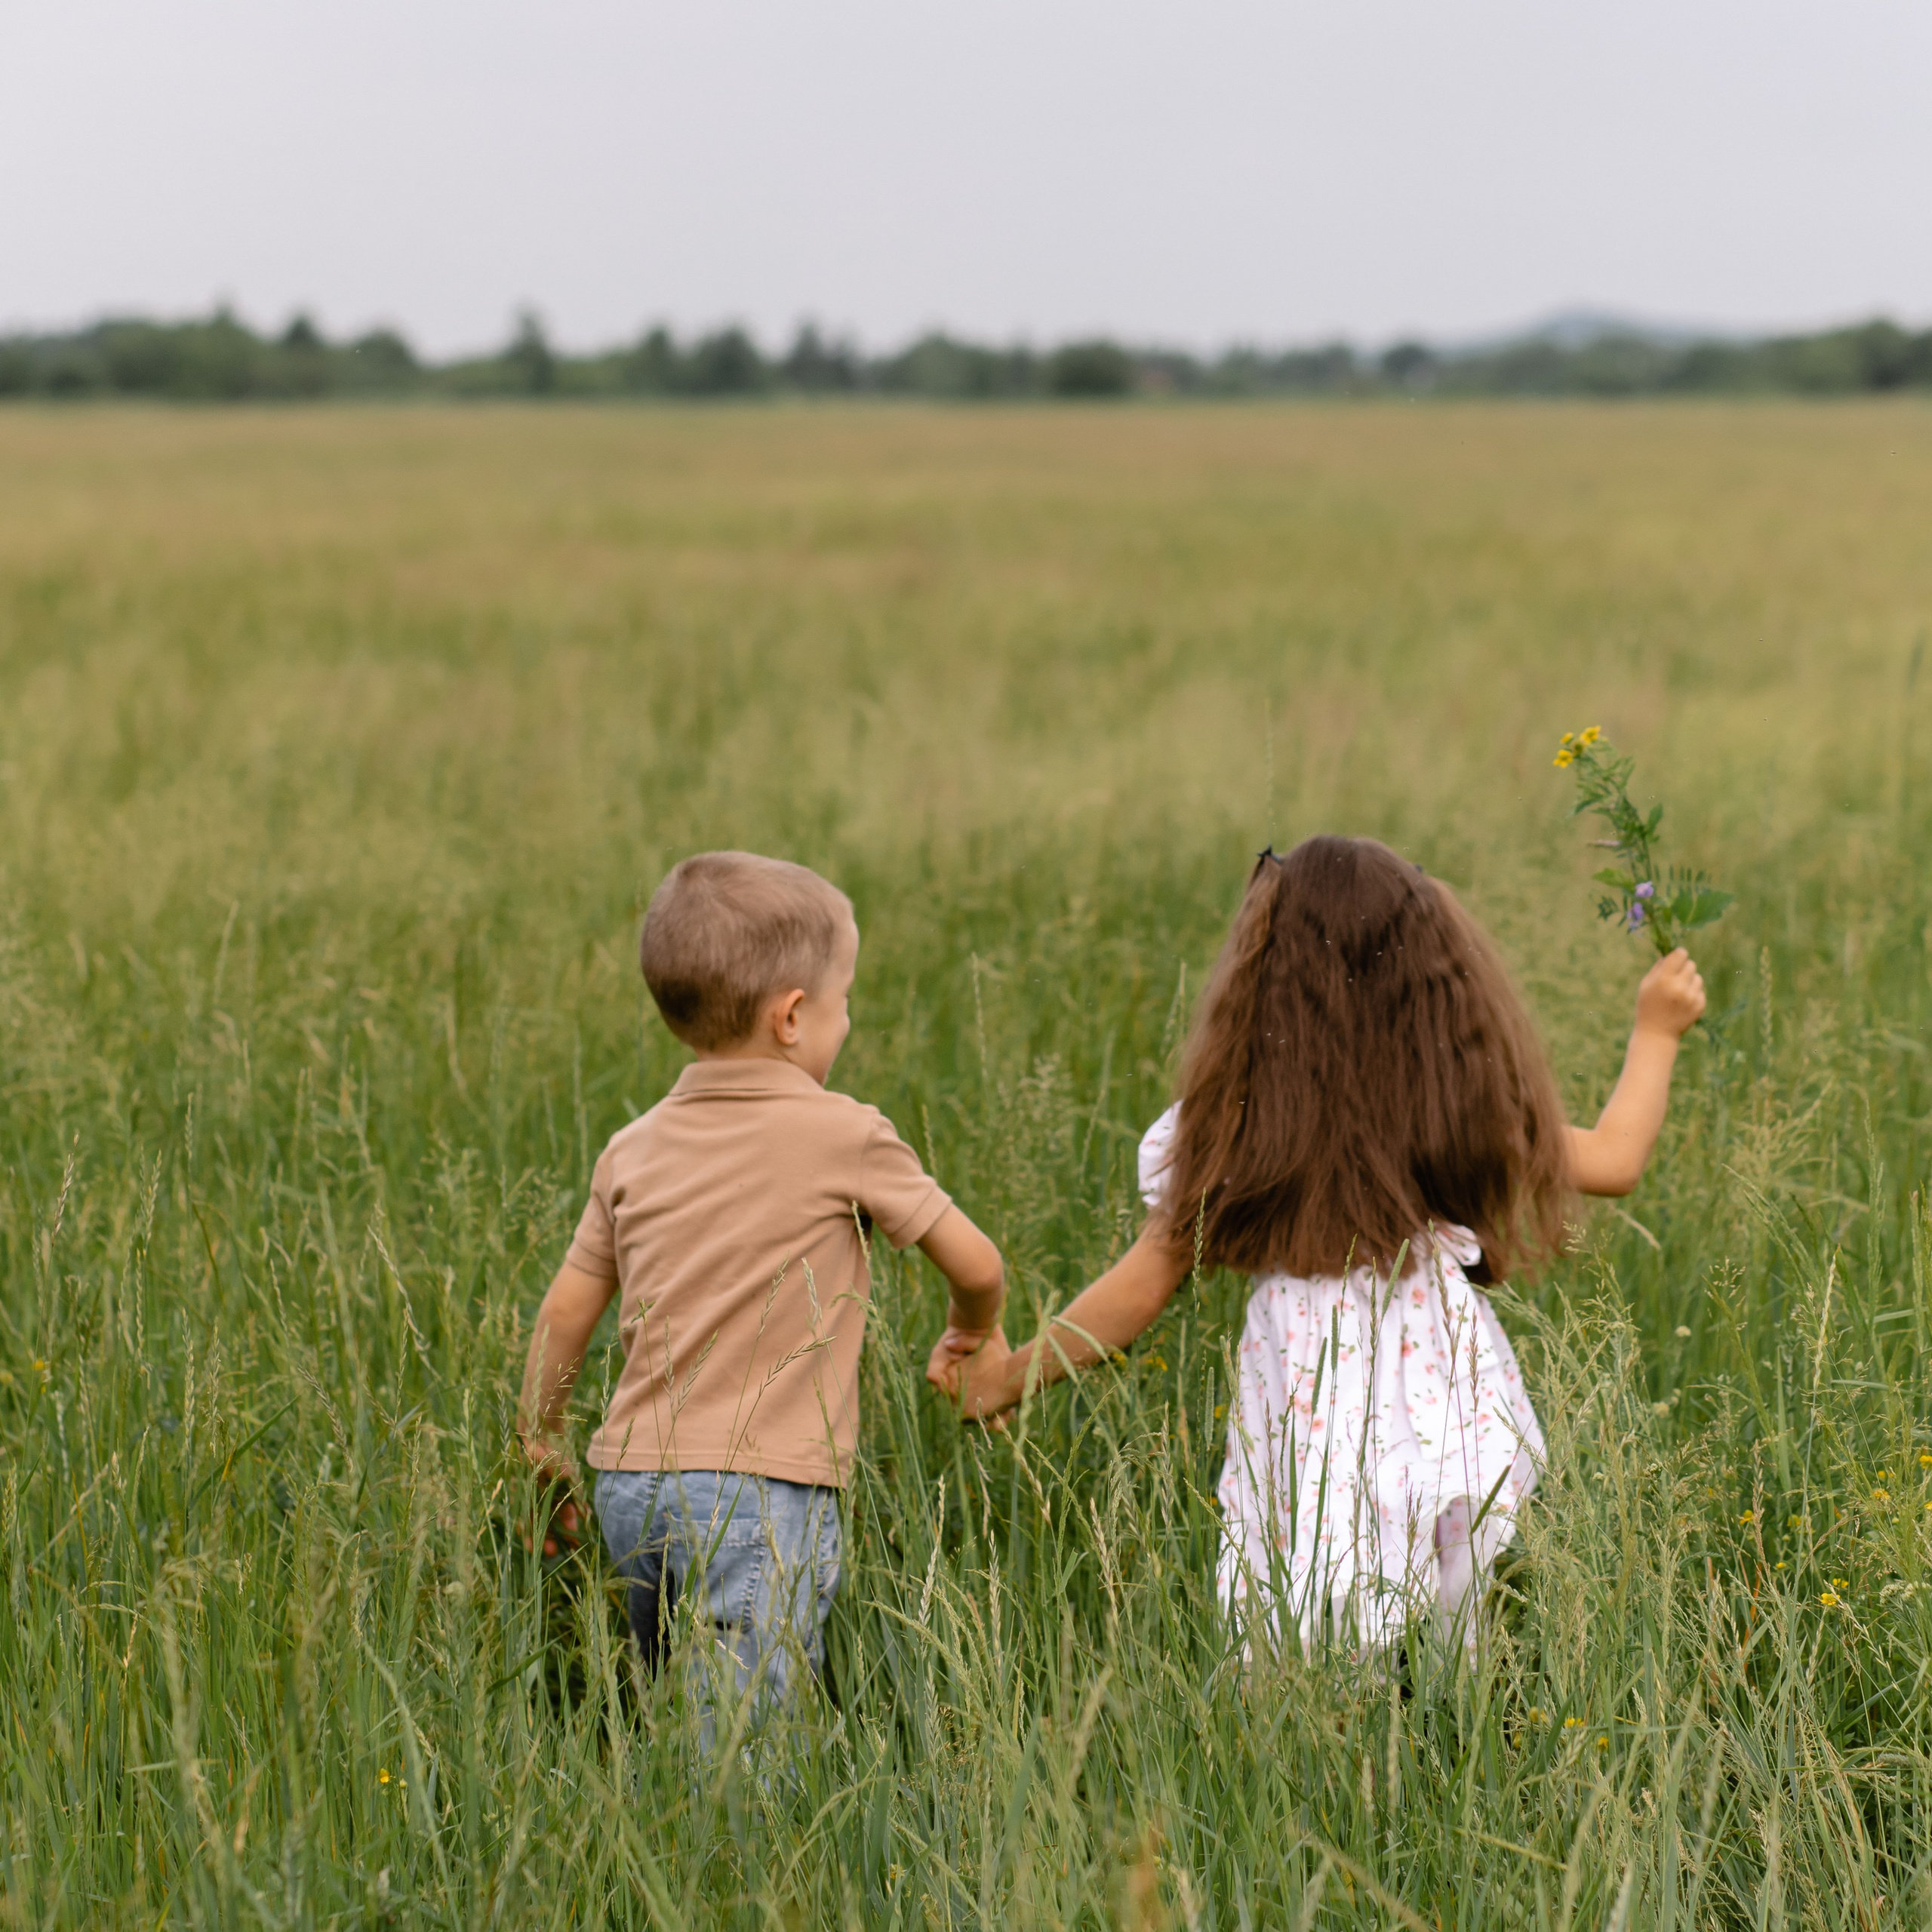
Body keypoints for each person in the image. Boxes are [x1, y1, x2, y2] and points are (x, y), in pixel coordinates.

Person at [937, 836, 1705, 1657]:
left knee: (1306, 1598)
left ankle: (1331, 1720)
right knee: (1456, 1607)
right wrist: (1656, 1029)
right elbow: (1615, 1159)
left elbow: (1139, 1288)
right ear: (1428, 978)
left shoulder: (1239, 1122)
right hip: (1439, 1376)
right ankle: (1451, 1712)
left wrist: (1006, 1380)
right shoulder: (1444, 1102)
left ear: (1264, 975)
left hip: (1308, 1379)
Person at [519, 851, 1004, 1735]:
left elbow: (565, 1310)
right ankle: (730, 1830)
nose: (847, 1018)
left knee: (661, 1706)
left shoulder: (631, 1147)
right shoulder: (847, 1133)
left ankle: (649, 1815)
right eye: (843, 1000)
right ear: (790, 1015)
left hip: (631, 1483)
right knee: (743, 1743)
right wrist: (973, 1330)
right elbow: (976, 1264)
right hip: (760, 1492)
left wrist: (541, 1437)